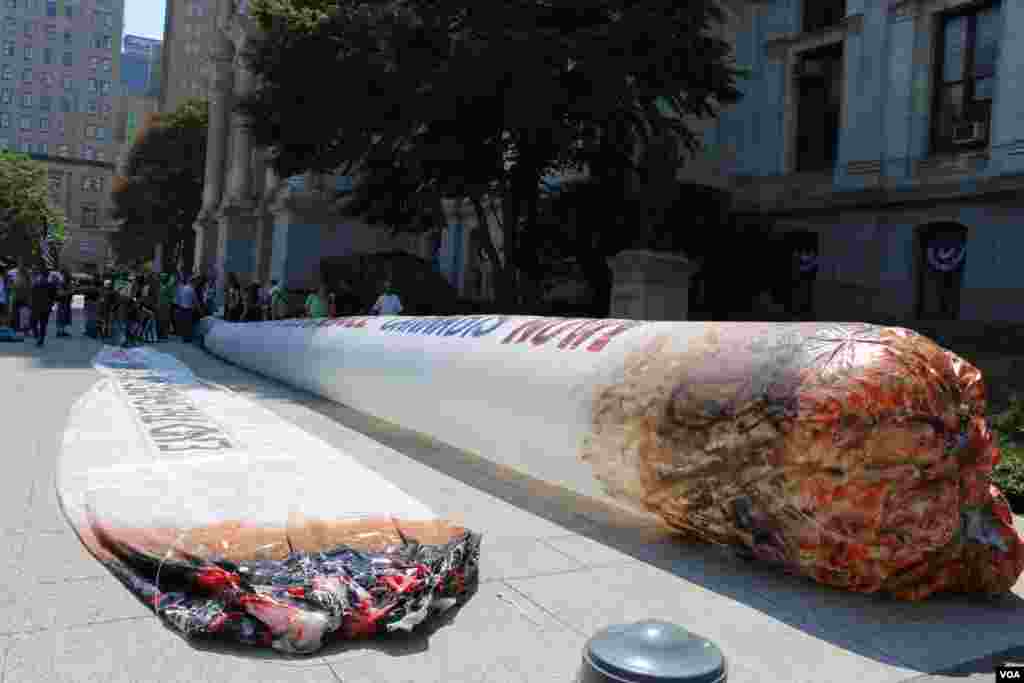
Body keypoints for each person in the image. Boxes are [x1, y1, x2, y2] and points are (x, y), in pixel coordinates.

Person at [29, 266, 56, 347]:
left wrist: (31, 305)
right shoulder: (51, 285)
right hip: (46, 307)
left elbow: (32, 295)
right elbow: (54, 297)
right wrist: (51, 305)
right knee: (43, 324)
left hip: (36, 307)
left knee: (33, 323)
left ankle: (37, 337)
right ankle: (41, 338)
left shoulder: (36, 284)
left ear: (41, 275)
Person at [175, 275, 198, 342]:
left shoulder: (183, 288)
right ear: (193, 282)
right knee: (188, 324)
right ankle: (188, 338)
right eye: (195, 282)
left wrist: (179, 307)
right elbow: (195, 301)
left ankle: (184, 337)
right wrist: (199, 309)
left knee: (184, 324)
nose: (196, 284)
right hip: (188, 309)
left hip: (182, 308)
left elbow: (179, 298)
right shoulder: (192, 290)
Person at [55, 268, 73, 337]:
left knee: (64, 317)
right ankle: (59, 332)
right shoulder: (62, 283)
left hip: (65, 302)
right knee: (61, 317)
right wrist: (69, 292)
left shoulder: (65, 282)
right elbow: (60, 293)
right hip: (62, 302)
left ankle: (61, 331)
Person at [158, 271, 176, 340]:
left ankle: (164, 334)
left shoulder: (169, 286)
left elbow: (172, 296)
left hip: (166, 305)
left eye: (164, 277)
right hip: (160, 305)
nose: (162, 278)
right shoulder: (160, 285)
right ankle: (160, 333)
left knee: (165, 320)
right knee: (160, 320)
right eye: (161, 277)